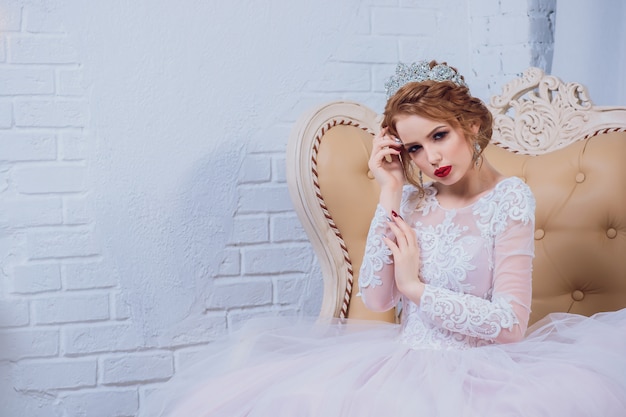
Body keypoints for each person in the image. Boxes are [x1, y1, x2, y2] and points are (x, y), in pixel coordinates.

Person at [140, 61, 626, 417]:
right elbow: (376, 295)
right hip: (400, 363)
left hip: (483, 377)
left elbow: (510, 325)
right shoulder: (412, 202)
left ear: (472, 127)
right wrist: (390, 189)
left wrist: (417, 290)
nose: (430, 156)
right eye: (414, 146)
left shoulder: (510, 198)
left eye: (439, 135)